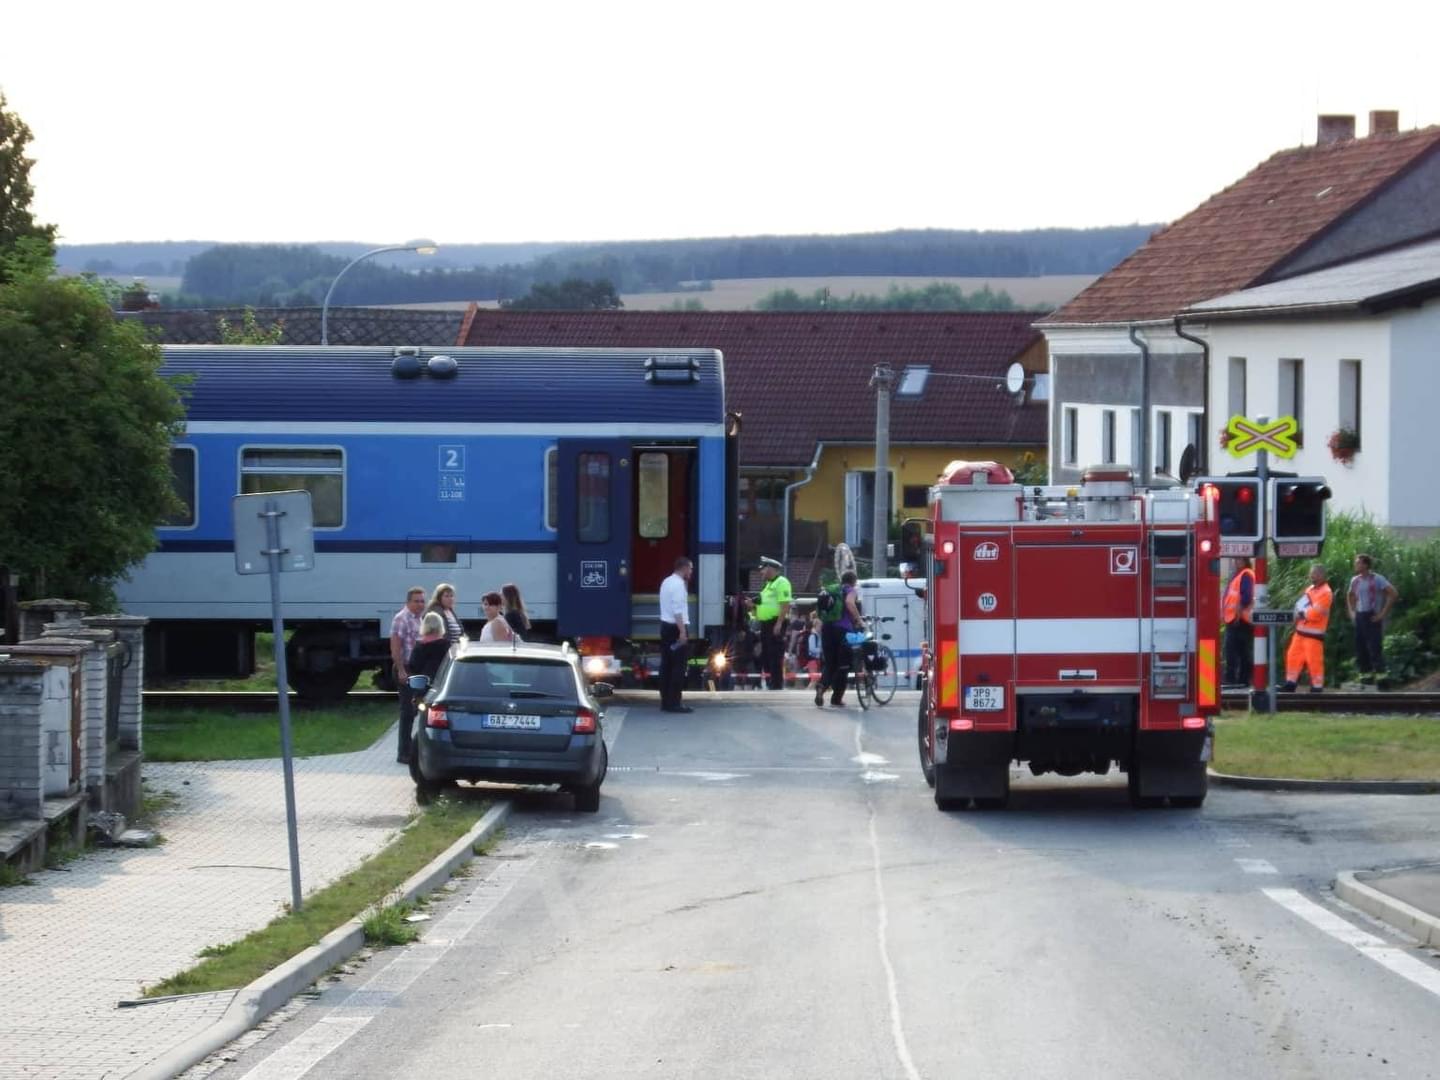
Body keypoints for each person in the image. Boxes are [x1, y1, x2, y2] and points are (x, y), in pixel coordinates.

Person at [1346, 553, 1399, 683]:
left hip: (1372, 615)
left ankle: (1382, 678)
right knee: (1361, 648)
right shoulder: (1355, 580)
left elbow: (1393, 594)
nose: (1355, 565)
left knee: (1375, 647)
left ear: (1365, 565)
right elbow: (1350, 595)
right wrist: (1352, 611)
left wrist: (1382, 614)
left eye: (1358, 563)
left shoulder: (1377, 579)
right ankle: (1366, 676)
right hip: (1360, 616)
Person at [1283, 563, 1333, 693]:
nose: (1311, 576)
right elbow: (1301, 605)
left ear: (1321, 575)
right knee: (1292, 657)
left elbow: (1316, 613)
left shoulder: (1326, 592)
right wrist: (1297, 614)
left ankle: (1317, 687)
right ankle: (1290, 683)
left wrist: (1300, 614)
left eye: (1314, 573)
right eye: (1311, 573)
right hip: (1300, 632)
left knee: (1314, 661)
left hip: (1314, 635)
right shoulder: (1310, 589)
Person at [389, 586, 425, 763]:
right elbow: (395, 646)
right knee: (407, 712)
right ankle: (403, 752)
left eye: (422, 601)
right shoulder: (401, 619)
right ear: (408, 602)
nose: (420, 604)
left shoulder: (419, 619)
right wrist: (401, 669)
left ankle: (410, 748)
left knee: (415, 709)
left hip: (416, 669)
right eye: (416, 601)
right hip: (405, 669)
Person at [817, 570, 862, 707]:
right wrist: (859, 619)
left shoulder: (833, 590)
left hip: (827, 629)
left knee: (830, 663)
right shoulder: (850, 590)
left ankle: (821, 686)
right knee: (843, 665)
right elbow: (849, 602)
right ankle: (836, 698)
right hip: (843, 631)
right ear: (853, 581)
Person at [750, 556, 792, 690]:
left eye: (763, 569)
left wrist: (779, 623)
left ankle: (776, 684)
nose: (761, 572)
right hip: (766, 624)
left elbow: (785, 604)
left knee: (775, 654)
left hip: (775, 622)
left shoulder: (781, 582)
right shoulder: (768, 585)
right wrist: (753, 605)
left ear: (770, 568)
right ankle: (770, 682)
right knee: (767, 654)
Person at [658, 556, 694, 713]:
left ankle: (665, 701)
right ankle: (674, 703)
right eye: (690, 568)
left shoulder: (666, 582)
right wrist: (682, 631)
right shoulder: (678, 585)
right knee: (678, 667)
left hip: (665, 627)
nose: (691, 572)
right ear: (684, 568)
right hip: (676, 628)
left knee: (666, 665)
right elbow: (678, 611)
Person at [1222, 557, 1255, 687]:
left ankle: (1235, 679)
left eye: (1239, 560)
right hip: (1235, 619)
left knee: (1235, 650)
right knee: (1240, 650)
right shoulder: (1238, 575)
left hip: (1240, 620)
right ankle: (1241, 680)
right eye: (1236, 560)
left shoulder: (1246, 574)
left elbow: (1246, 597)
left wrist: (1238, 613)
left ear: (1245, 561)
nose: (1236, 562)